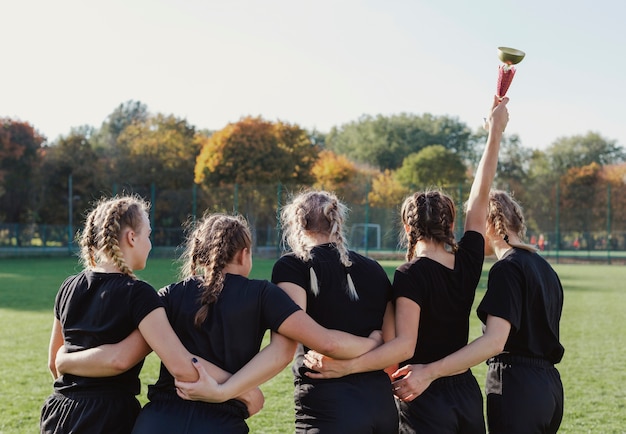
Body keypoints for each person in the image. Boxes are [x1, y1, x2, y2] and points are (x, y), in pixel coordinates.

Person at [56, 213, 382, 434]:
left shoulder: (166, 295)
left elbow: (127, 354)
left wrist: (64, 359)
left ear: (197, 254)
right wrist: (372, 343)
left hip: (155, 422)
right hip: (220, 422)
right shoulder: (263, 294)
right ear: (243, 255)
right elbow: (314, 345)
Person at [303, 95, 510, 434]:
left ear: (407, 228)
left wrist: (347, 367)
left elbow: (403, 345)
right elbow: (480, 196)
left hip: (421, 393)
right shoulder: (470, 258)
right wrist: (495, 133)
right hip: (466, 394)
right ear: (450, 224)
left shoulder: (409, 274)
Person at [392, 190, 564, 434]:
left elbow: (494, 342)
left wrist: (429, 372)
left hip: (518, 388)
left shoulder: (507, 268)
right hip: (550, 388)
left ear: (489, 222)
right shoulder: (544, 267)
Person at [40, 195, 207, 434]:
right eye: (148, 235)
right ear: (131, 237)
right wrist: (238, 389)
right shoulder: (139, 294)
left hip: (59, 411)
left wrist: (65, 361)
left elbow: (53, 363)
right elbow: (170, 363)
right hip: (107, 417)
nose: (150, 244)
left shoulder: (68, 286)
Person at [271, 189, 399, 433]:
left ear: (297, 222)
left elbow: (313, 339)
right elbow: (390, 346)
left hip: (328, 406)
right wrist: (373, 342)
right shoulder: (374, 269)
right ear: (337, 220)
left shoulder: (290, 266)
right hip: (381, 406)